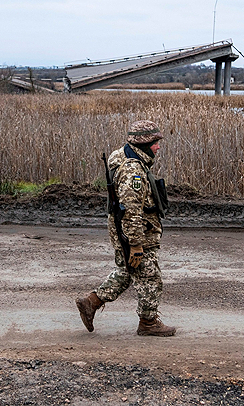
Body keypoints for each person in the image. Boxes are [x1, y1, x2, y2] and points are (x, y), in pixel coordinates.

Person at [75, 120, 176, 337]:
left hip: (130, 230)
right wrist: (136, 244)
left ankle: (91, 302)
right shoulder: (133, 171)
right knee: (150, 277)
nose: (158, 147)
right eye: (155, 143)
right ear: (144, 144)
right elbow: (131, 210)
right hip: (137, 233)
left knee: (129, 271)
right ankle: (148, 323)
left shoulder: (127, 158)